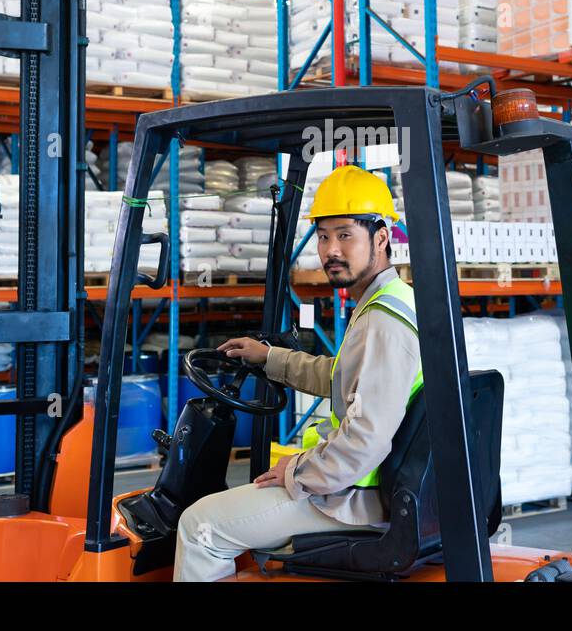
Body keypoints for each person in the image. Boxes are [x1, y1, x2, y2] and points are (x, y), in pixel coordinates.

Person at [172, 165, 421, 581]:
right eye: (324, 237)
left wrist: (298, 472)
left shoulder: (382, 322)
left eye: (345, 235)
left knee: (200, 527)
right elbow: (343, 377)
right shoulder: (395, 300)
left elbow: (366, 438)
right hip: (363, 484)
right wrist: (269, 357)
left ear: (381, 238)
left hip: (355, 496)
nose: (330, 251)